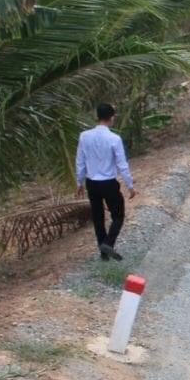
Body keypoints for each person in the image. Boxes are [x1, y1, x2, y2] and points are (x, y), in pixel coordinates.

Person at [75, 103, 137, 261]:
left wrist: (79, 182)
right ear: (111, 118)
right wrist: (130, 186)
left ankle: (103, 254)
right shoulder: (114, 139)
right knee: (118, 215)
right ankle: (108, 243)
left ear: (97, 116)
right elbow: (122, 164)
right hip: (108, 183)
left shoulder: (84, 136)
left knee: (98, 218)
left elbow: (80, 161)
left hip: (92, 183)